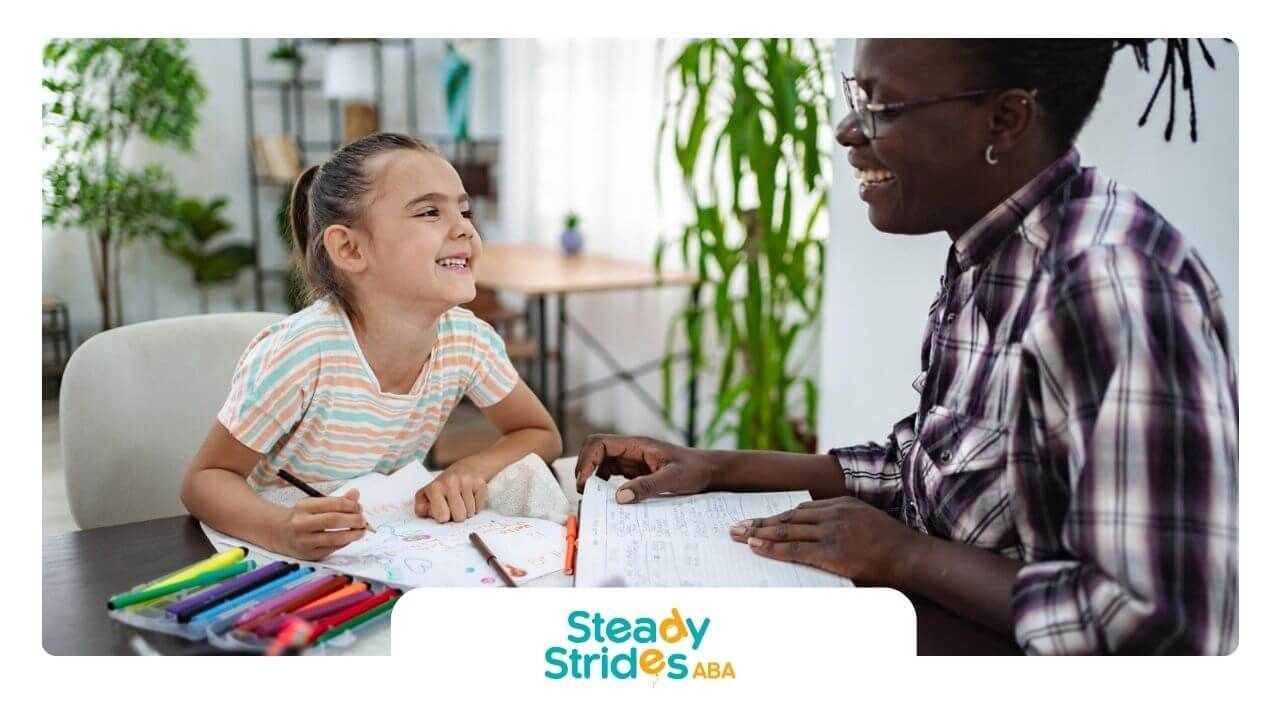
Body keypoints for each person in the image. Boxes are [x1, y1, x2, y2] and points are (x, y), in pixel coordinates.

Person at [574, 40, 1237, 655]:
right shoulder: (992, 252)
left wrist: (903, 556)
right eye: (854, 95)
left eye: (883, 107)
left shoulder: (1109, 286)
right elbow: (923, 463)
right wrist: (714, 468)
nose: (847, 131)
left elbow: (1160, 621)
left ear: (1004, 121)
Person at [182, 132, 562, 561]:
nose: (465, 229)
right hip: (279, 552)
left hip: (381, 543)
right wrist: (281, 529)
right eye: (429, 212)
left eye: (465, 209)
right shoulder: (304, 352)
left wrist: (469, 469)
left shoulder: (467, 341)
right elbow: (205, 479)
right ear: (349, 248)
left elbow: (540, 433)